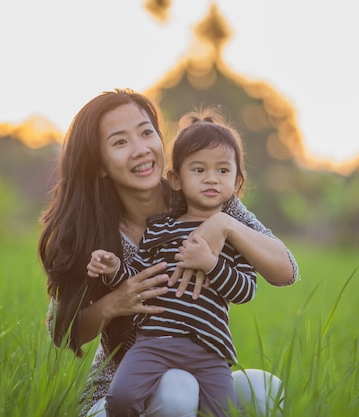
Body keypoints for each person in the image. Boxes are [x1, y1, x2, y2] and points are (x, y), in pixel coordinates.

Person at [37, 89, 299, 417]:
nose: (141, 150)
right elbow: (61, 330)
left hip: (198, 367)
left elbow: (286, 270)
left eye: (146, 133)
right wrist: (113, 303)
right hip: (121, 389)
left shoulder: (200, 189)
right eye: (120, 142)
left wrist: (223, 224)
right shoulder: (92, 230)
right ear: (100, 165)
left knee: (266, 390)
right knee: (178, 389)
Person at [88, 109, 258, 417]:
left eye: (223, 171)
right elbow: (138, 274)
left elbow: (246, 290)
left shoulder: (235, 234)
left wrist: (211, 264)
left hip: (211, 349)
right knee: (122, 397)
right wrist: (114, 271)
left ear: (237, 181)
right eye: (198, 170)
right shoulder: (161, 227)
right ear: (176, 179)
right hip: (155, 341)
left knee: (221, 412)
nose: (211, 178)